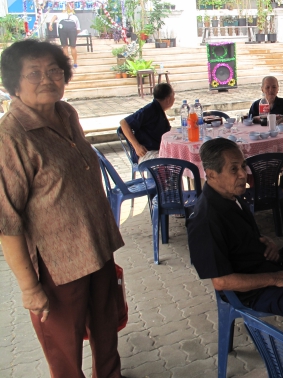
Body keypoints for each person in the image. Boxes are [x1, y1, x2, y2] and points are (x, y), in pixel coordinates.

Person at [0, 40, 125, 378]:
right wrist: (30, 288)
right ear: (14, 83)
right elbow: (6, 222)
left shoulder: (67, 114)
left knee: (106, 330)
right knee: (65, 352)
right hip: (57, 265)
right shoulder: (10, 137)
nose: (47, 79)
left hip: (97, 246)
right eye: (34, 73)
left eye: (54, 70)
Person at [186, 139, 283, 348]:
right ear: (211, 174)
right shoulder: (205, 220)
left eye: (243, 166)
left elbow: (243, 237)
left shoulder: (231, 195)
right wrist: (276, 278)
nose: (243, 174)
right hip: (249, 289)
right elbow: (222, 282)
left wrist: (268, 243)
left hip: (264, 261)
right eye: (234, 169)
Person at [119, 82, 175, 163]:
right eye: (173, 96)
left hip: (158, 150)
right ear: (168, 99)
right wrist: (137, 146)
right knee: (174, 163)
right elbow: (123, 123)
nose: (174, 99)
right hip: (147, 153)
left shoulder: (159, 110)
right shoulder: (149, 110)